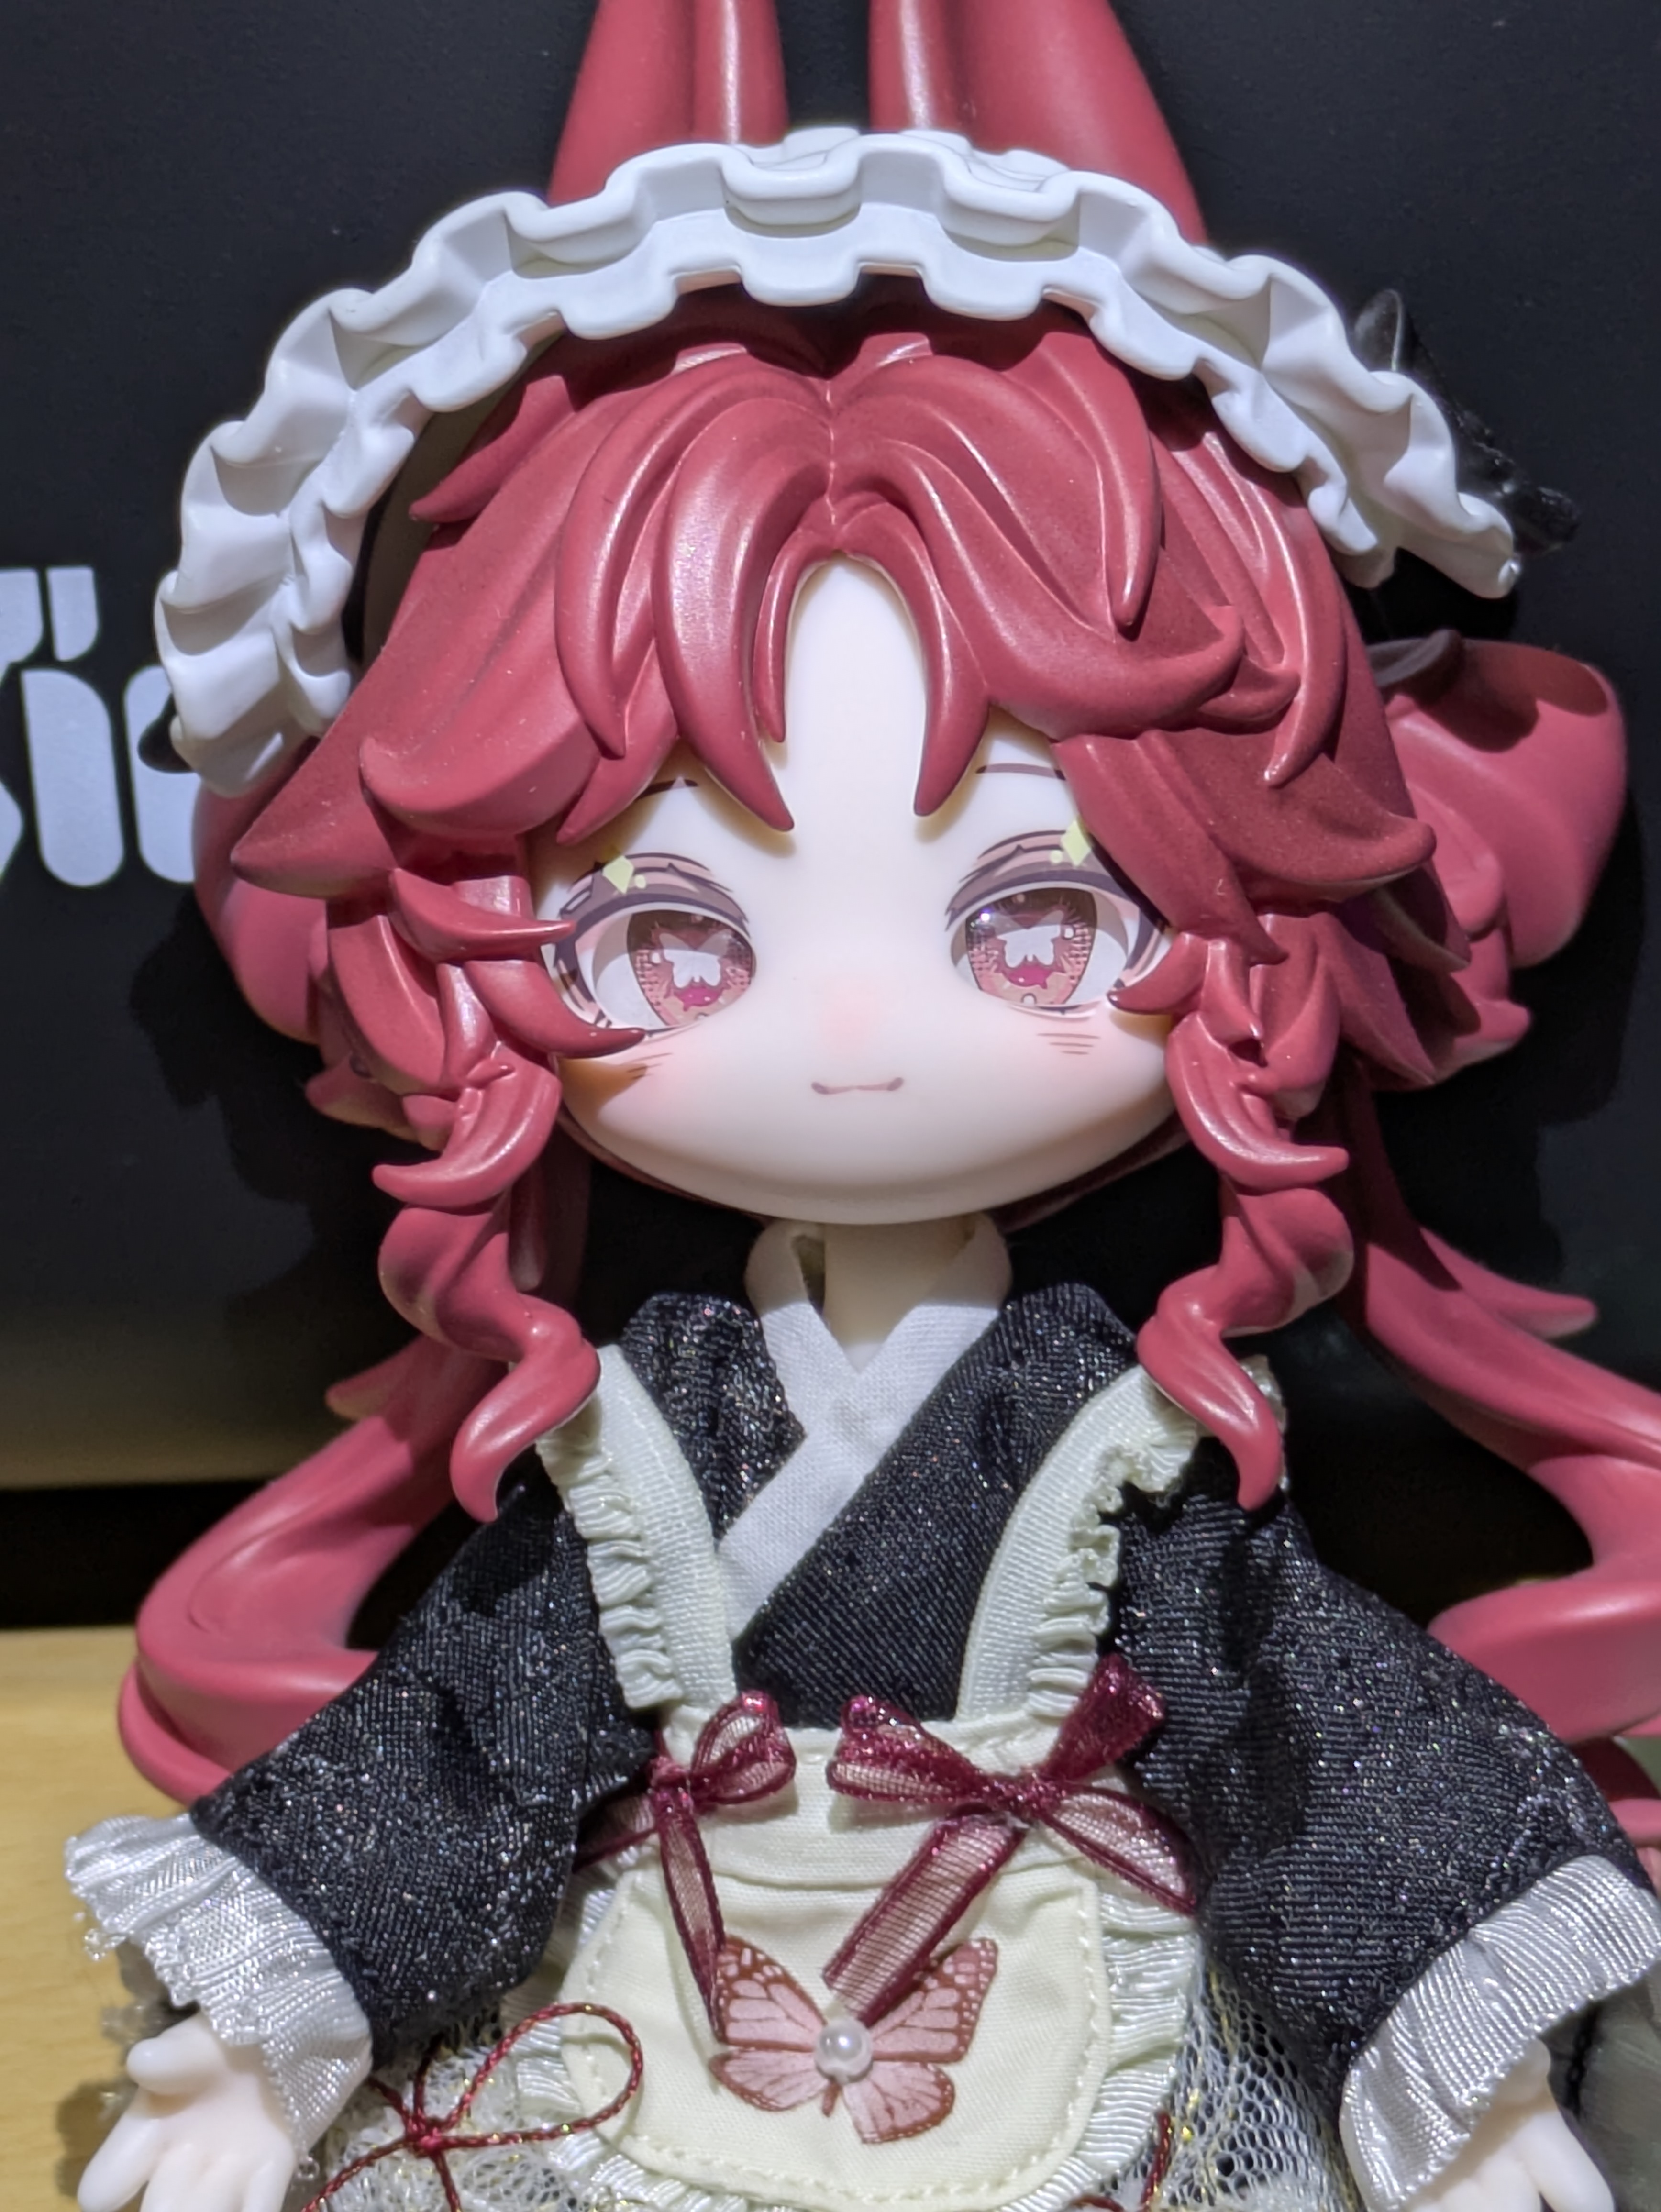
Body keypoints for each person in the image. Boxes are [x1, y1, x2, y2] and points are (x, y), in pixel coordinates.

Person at [65, 6, 1661, 2209]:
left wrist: (1463, 2088)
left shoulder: (1113, 1433)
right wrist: (265, 2040)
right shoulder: (653, 1435)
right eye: (666, 938)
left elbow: (1298, 1719)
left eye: (1036, 916)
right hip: (675, 1969)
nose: (845, 1030)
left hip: (1043, 1968)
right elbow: (476, 1728)